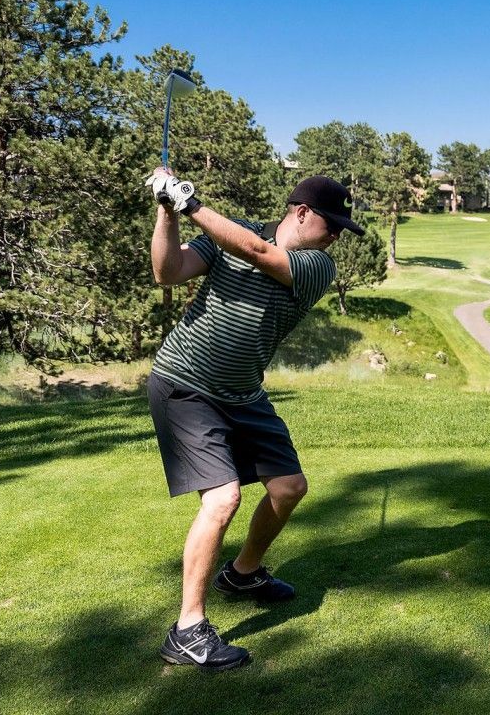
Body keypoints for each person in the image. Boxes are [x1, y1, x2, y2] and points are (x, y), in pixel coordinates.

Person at [144, 168, 363, 671]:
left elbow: (260, 254)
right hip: (185, 383)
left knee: (289, 488)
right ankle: (187, 630)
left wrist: (190, 204)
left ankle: (242, 574)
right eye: (332, 225)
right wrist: (166, 209)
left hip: (242, 392)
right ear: (302, 213)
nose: (335, 237)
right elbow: (168, 271)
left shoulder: (314, 266)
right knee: (223, 498)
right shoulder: (230, 234)